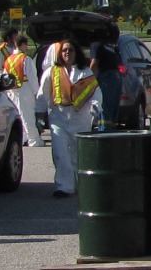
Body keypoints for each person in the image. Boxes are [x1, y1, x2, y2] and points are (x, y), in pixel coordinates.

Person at [36, 41, 100, 199]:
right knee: (60, 152)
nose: (67, 53)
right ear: (59, 53)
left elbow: (95, 93)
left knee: (77, 154)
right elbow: (42, 95)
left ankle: (81, 184)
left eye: (70, 50)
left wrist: (96, 108)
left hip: (81, 118)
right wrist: (39, 115)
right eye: (64, 50)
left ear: (76, 52)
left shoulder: (85, 72)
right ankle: (64, 186)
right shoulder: (51, 72)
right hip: (58, 117)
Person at [0, 30, 43, 146]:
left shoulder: (9, 59)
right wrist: (37, 92)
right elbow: (32, 77)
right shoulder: (26, 59)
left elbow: (5, 75)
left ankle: (23, 137)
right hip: (25, 89)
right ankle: (34, 139)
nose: (27, 47)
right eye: (26, 45)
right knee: (28, 115)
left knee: (19, 115)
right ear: (23, 45)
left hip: (12, 90)